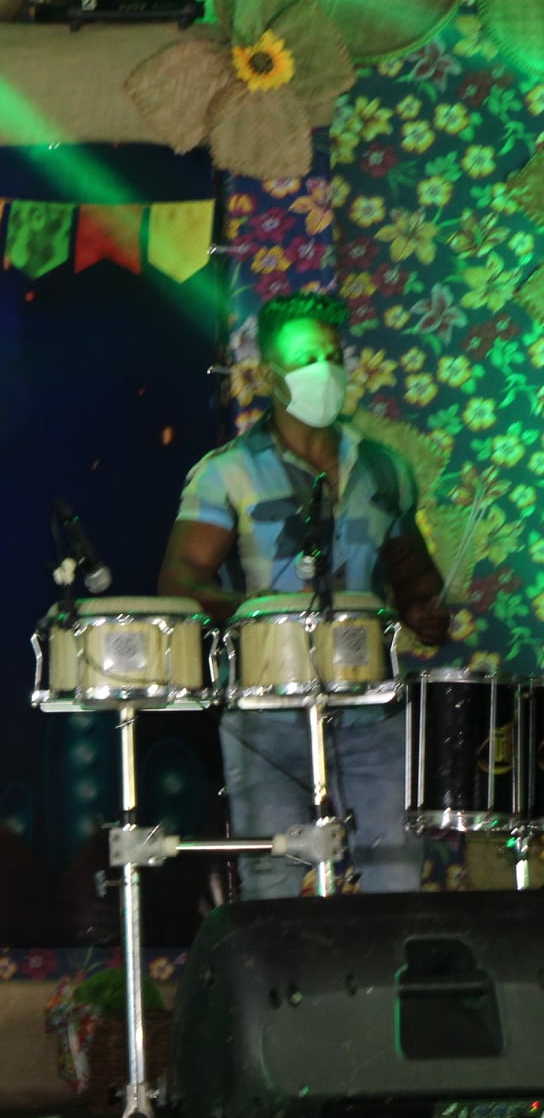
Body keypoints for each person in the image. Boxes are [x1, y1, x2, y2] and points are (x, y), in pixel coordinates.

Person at [159, 292, 449, 900]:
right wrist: (263, 617)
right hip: (266, 712)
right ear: (269, 376)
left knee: (394, 874)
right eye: (306, 358)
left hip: (373, 707)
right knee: (274, 881)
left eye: (333, 355)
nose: (325, 369)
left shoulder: (385, 468)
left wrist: (425, 609)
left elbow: (411, 570)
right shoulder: (227, 471)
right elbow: (181, 581)